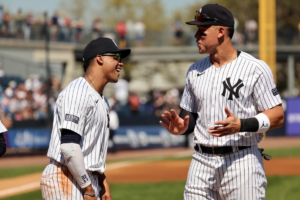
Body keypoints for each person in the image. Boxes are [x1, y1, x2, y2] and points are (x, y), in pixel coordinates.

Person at [159, 4, 284, 200]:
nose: (196, 37)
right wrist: (182, 127)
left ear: (220, 31)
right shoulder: (194, 71)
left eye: (202, 31)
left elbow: (277, 116)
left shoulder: (255, 68)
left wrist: (242, 124)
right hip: (201, 162)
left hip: (241, 161)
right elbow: (189, 117)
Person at [40, 37, 131, 200]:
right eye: (116, 57)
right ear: (100, 58)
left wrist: (102, 180)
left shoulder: (102, 99)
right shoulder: (77, 91)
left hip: (82, 178)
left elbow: (89, 150)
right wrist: (87, 187)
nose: (121, 62)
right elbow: (69, 146)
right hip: (66, 178)